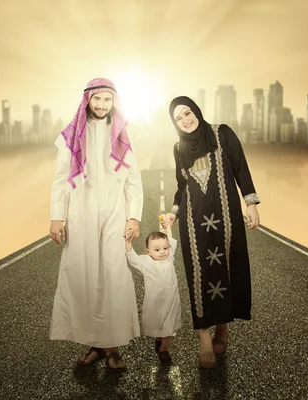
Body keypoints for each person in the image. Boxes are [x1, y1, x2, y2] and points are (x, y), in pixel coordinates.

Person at [48, 77, 144, 373]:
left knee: (113, 277)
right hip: (82, 215)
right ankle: (94, 344)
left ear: (114, 102)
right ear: (87, 100)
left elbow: (134, 180)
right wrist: (56, 216)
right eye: (97, 99)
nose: (102, 105)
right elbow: (61, 179)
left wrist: (134, 216)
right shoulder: (72, 134)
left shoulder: (121, 134)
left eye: (107, 100)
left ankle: (113, 348)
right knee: (86, 277)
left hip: (115, 215)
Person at [162, 96, 261, 369]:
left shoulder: (222, 133)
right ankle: (204, 335)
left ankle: (222, 328)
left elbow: (241, 167)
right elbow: (181, 186)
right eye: (178, 118)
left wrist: (251, 204)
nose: (185, 120)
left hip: (226, 218)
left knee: (228, 268)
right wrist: (174, 211)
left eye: (188, 113)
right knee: (199, 273)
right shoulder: (178, 147)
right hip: (193, 223)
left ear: (197, 111)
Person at [124, 218, 182, 365]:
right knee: (157, 324)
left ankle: (163, 350)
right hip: (155, 303)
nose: (163, 252)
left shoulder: (170, 259)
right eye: (157, 250)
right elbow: (132, 258)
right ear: (147, 251)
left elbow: (171, 240)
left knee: (169, 329)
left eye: (165, 248)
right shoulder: (146, 262)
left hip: (171, 303)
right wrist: (128, 242)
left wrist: (168, 227)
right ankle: (159, 338)